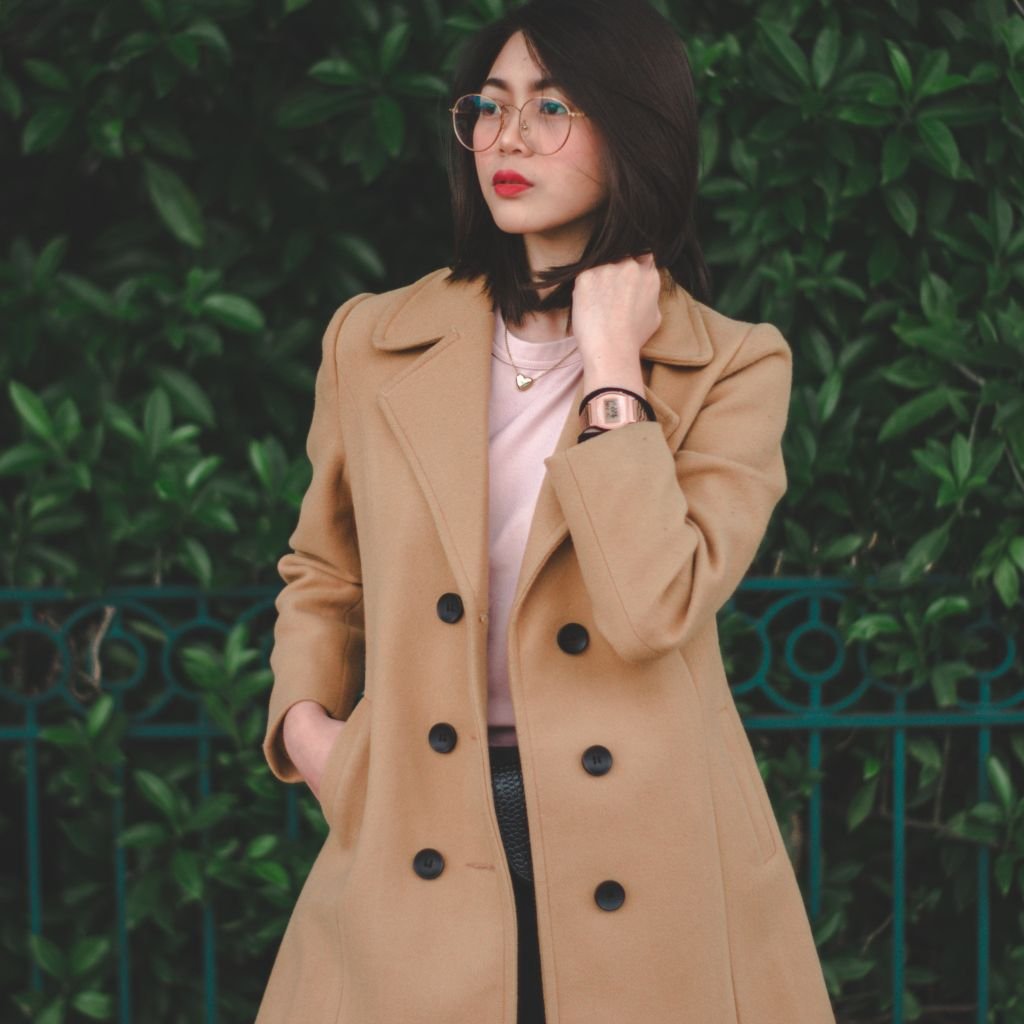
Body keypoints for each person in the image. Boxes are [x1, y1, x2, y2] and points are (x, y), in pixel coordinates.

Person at [257, 2, 837, 1022]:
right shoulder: (374, 338)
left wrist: (613, 367)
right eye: (490, 106)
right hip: (413, 821)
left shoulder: (732, 366)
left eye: (554, 106)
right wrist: (312, 734)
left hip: (651, 849)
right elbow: (323, 570)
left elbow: (652, 607)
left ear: (636, 131)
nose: (508, 137)